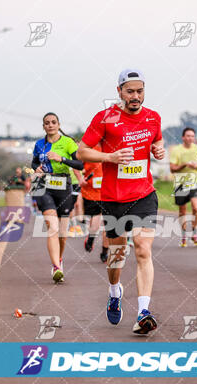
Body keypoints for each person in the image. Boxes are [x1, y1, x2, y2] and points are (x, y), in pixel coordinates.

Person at [77, 68, 165, 334]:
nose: (135, 96)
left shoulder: (153, 118)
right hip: (113, 198)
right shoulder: (105, 118)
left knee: (142, 248)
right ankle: (115, 291)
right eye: (130, 91)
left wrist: (159, 150)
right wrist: (110, 158)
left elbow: (156, 144)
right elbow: (82, 151)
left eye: (140, 91)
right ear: (119, 92)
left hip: (143, 194)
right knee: (117, 256)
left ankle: (143, 312)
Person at [31, 112, 83, 283]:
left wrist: (62, 159)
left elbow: (80, 164)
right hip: (44, 186)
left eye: (53, 122)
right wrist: (36, 169)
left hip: (63, 187)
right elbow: (33, 163)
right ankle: (56, 267)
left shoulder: (67, 143)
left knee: (62, 233)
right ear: (44, 126)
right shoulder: (40, 145)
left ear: (59, 125)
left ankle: (59, 260)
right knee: (51, 226)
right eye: (47, 123)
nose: (50, 125)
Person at [169, 127, 197, 247]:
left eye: (192, 136)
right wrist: (184, 164)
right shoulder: (176, 150)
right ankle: (184, 235)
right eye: (188, 136)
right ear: (183, 137)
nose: (190, 138)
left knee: (196, 208)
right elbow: (172, 168)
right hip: (180, 183)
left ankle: (194, 233)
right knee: (182, 210)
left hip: (194, 182)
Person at [80, 143, 110, 262]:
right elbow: (77, 165)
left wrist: (80, 177)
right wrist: (80, 178)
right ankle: (104, 251)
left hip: (105, 190)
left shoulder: (88, 149)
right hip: (95, 191)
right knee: (108, 221)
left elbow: (76, 166)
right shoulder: (109, 147)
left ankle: (93, 239)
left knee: (98, 218)